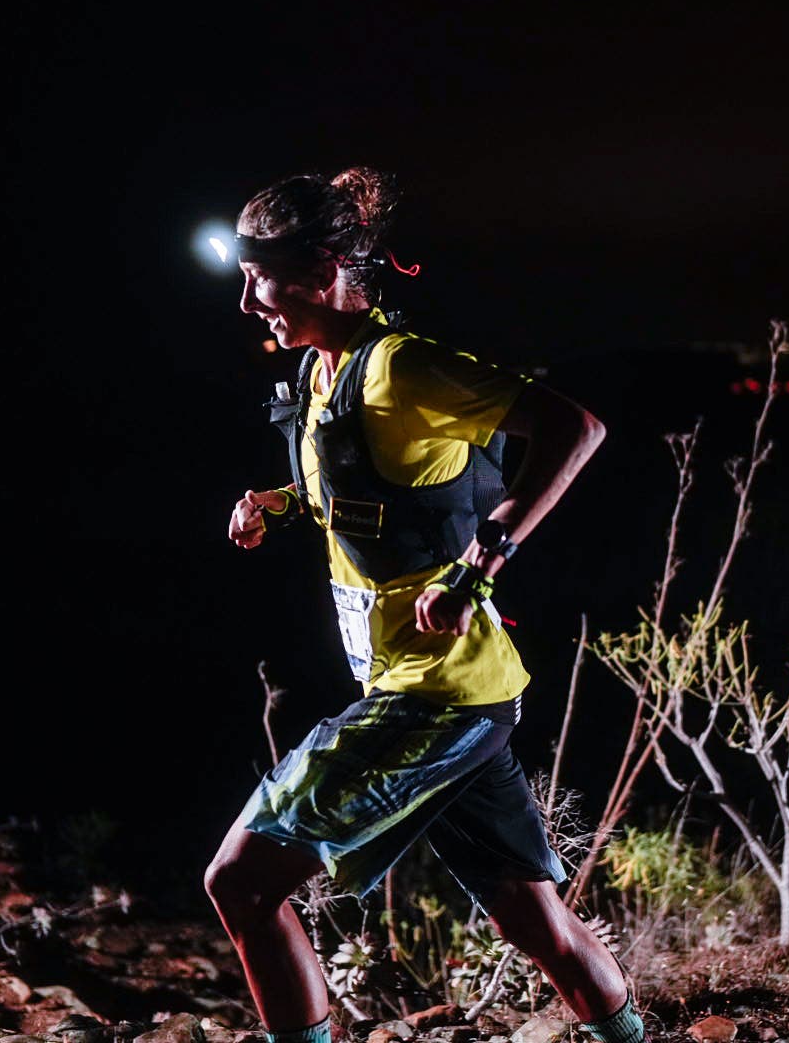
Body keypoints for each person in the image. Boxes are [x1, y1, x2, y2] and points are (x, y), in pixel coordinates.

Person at [203, 168, 640, 1043]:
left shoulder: (402, 367)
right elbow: (369, 489)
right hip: (461, 695)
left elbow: (574, 427)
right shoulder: (327, 375)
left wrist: (483, 560)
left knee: (241, 885)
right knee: (535, 924)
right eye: (242, 278)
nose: (249, 302)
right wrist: (274, 504)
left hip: (434, 696)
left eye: (263, 278)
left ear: (326, 267)